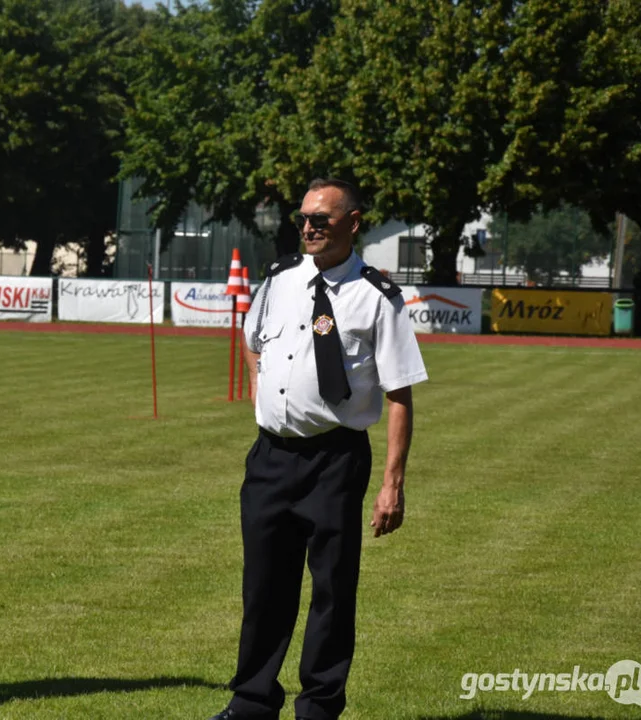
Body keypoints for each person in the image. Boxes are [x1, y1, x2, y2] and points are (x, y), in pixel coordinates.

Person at [208, 178, 428, 720]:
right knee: (263, 586)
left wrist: (392, 486)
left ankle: (319, 707)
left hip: (335, 459)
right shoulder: (279, 278)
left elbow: (399, 394)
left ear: (352, 223)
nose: (308, 226)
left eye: (321, 219)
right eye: (302, 218)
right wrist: (270, 399)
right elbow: (252, 341)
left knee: (331, 590)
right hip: (270, 458)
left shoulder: (378, 297)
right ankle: (252, 701)